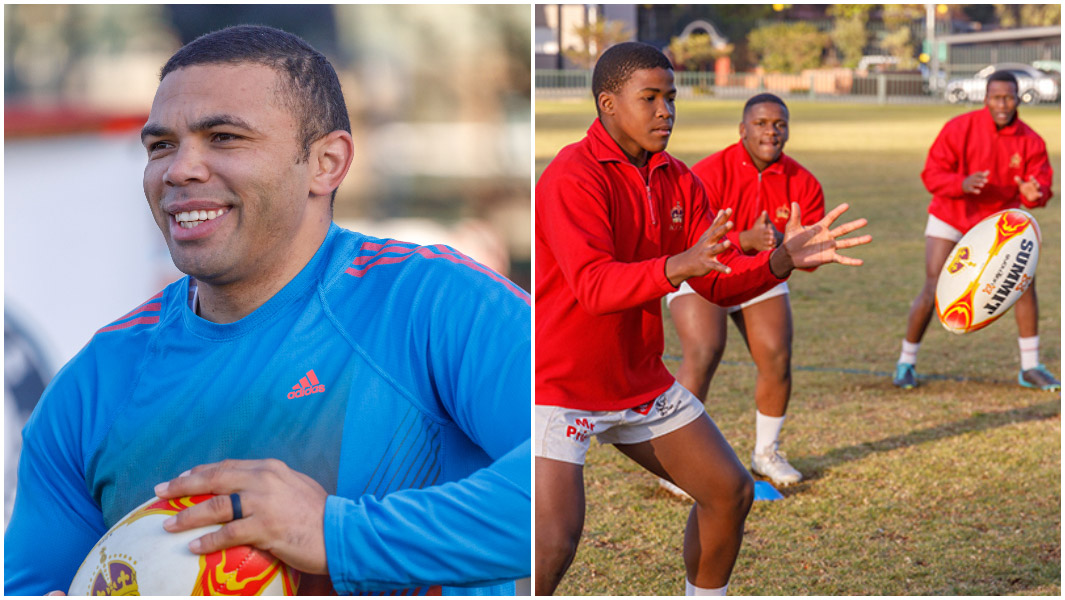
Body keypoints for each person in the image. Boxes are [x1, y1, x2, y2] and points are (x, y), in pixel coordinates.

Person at [4, 25, 531, 596]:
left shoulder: (434, 303)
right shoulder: (92, 385)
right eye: (160, 146)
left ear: (327, 162)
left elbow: (558, 482)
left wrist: (333, 535)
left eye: (224, 137)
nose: (179, 169)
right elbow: (32, 584)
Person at [534, 42, 870, 596]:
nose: (665, 110)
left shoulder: (677, 179)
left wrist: (781, 259)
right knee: (552, 543)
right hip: (558, 385)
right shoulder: (571, 175)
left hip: (638, 380)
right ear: (608, 103)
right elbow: (594, 287)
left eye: (671, 97)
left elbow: (717, 278)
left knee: (729, 491)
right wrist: (675, 266)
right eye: (650, 98)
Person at [662, 94, 824, 488]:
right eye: (762, 123)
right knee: (703, 351)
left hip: (760, 274)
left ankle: (766, 453)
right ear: (742, 129)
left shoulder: (802, 181)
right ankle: (672, 462)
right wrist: (744, 239)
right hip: (703, 270)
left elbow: (812, 254)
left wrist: (798, 247)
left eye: (780, 124)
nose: (772, 131)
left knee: (776, 355)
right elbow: (688, 237)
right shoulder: (707, 172)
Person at [894, 70, 1058, 391]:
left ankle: (1030, 366)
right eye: (996, 97)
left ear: (1017, 98)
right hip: (951, 216)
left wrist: (1034, 193)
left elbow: (1041, 187)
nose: (1002, 104)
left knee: (1024, 284)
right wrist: (961, 183)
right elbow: (931, 174)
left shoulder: (1031, 140)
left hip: (998, 228)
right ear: (985, 98)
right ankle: (906, 362)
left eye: (1008, 97)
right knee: (933, 287)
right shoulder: (959, 128)